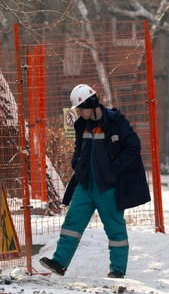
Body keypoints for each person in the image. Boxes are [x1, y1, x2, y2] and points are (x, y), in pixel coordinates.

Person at [40, 84, 151, 279]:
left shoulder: (117, 122)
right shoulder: (81, 124)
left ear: (91, 104)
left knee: (114, 227)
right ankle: (60, 262)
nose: (79, 113)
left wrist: (114, 169)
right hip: (85, 184)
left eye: (81, 109)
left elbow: (133, 147)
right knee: (72, 223)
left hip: (108, 186)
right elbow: (78, 148)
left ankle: (117, 269)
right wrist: (76, 163)